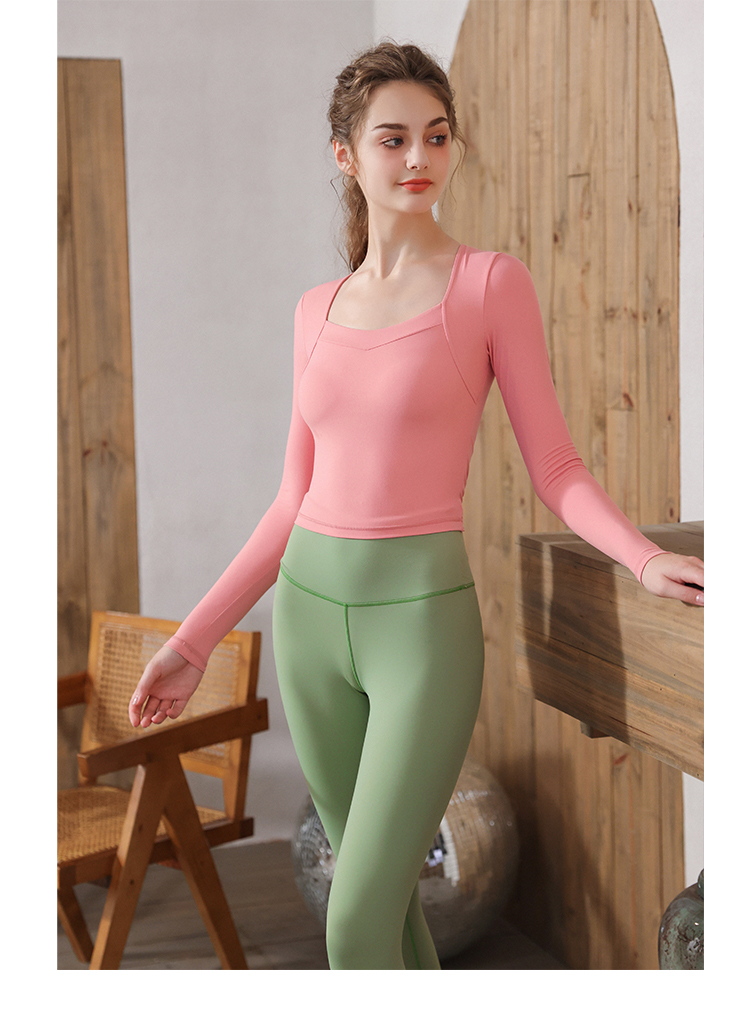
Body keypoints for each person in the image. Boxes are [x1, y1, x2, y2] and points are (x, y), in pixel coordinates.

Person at [128, 41, 704, 969]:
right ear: (346, 155)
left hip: (421, 633)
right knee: (390, 919)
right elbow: (290, 501)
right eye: (392, 139)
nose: (419, 158)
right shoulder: (315, 309)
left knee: (353, 924)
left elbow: (556, 465)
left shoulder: (489, 285)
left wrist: (645, 558)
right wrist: (193, 645)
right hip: (309, 626)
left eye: (437, 136)